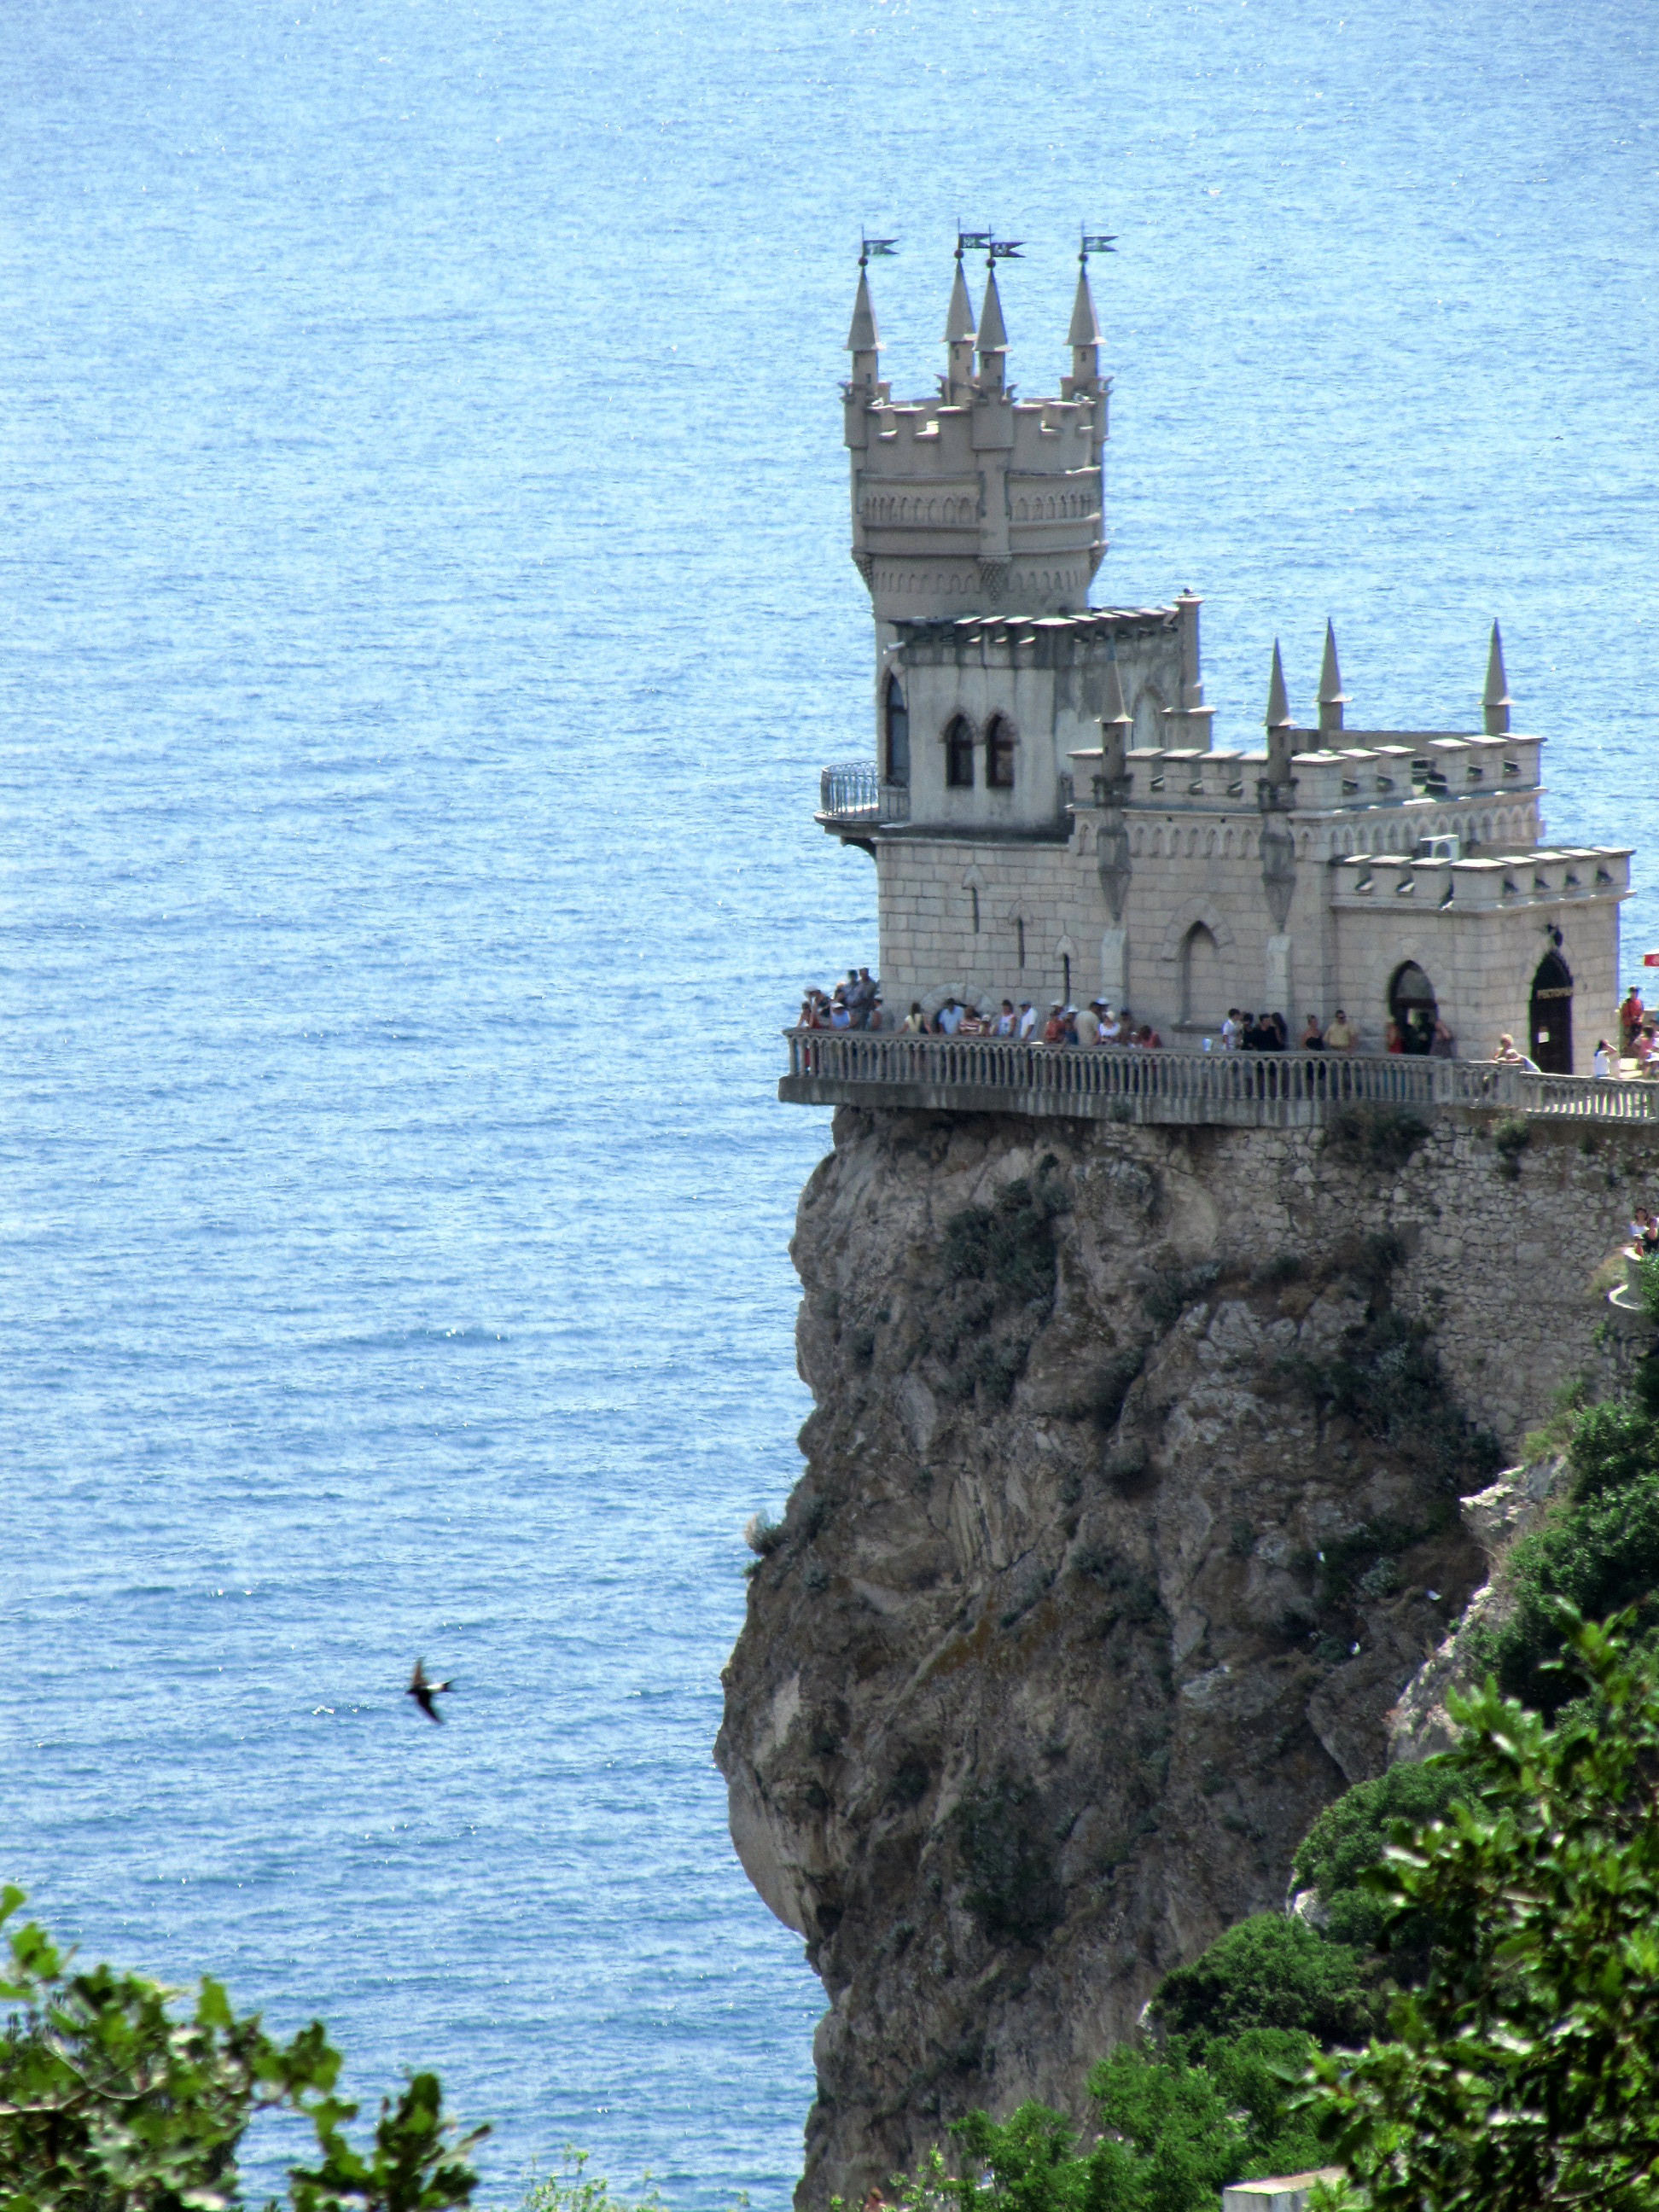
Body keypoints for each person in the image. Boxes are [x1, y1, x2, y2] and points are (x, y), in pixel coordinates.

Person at [1621, 986, 1646, 1051]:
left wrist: (1640, 1019)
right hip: (1630, 1025)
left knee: (1639, 1041)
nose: (1634, 994)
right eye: (1632, 992)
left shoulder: (1640, 1002)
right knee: (1629, 1042)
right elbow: (1624, 1016)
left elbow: (1642, 1012)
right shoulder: (1626, 1003)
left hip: (1638, 1025)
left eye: (1635, 992)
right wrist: (1631, 1018)